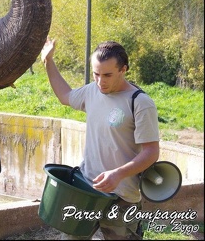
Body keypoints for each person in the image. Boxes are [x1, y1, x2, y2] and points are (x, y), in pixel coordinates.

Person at [41, 37, 160, 240]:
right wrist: (48, 62)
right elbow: (65, 95)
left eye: (107, 75)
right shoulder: (91, 91)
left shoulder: (140, 103)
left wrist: (118, 174)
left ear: (124, 70)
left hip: (122, 197)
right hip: (86, 189)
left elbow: (151, 152)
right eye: (96, 74)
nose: (100, 81)